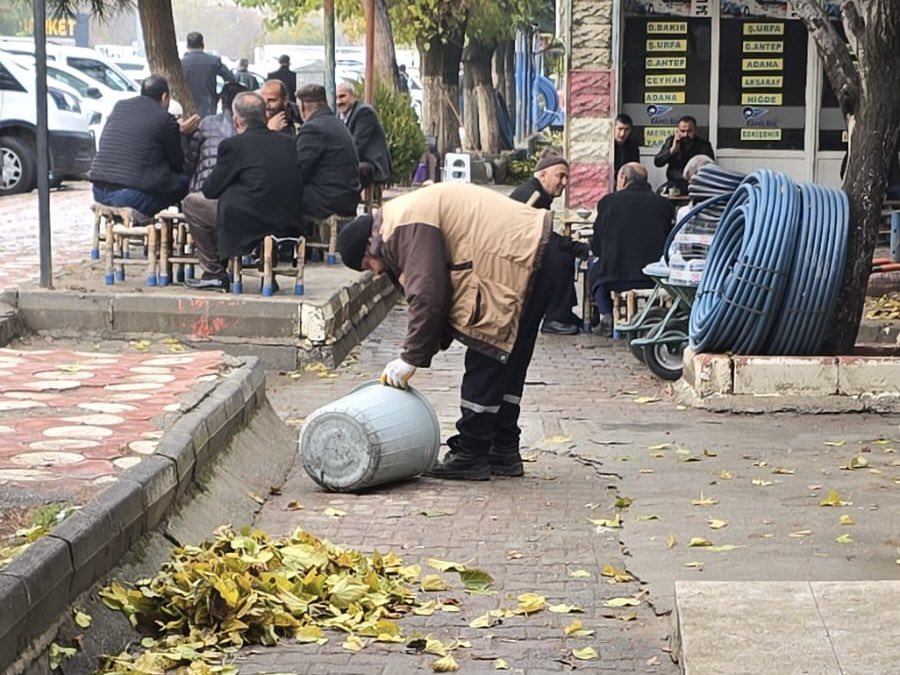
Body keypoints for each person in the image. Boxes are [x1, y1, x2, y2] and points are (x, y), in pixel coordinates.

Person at [336, 182, 566, 481]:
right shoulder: (403, 215)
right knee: (508, 359)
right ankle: (503, 449)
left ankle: (471, 453)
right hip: (539, 252)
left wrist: (410, 358)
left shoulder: (402, 224)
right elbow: (438, 296)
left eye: (369, 265)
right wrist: (428, 344)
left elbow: (428, 295)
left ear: (369, 245)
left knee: (486, 350)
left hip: (515, 258)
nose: (377, 272)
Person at [197, 91, 304, 289]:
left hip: (248, 221)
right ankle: (268, 274)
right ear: (265, 116)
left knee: (191, 204)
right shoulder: (288, 142)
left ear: (236, 120)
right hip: (287, 219)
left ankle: (214, 272)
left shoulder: (233, 145)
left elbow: (210, 190)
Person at [89, 75, 199, 218]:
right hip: (130, 196)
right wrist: (180, 135)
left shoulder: (120, 106)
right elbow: (177, 163)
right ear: (165, 97)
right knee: (185, 182)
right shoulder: (165, 119)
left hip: (98, 191)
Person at [589, 162, 674, 335]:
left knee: (593, 266)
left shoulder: (608, 202)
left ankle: (606, 315)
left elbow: (597, 243)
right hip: (653, 277)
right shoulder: (663, 204)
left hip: (614, 277)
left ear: (623, 179)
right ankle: (652, 313)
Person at [508, 153, 588, 336]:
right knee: (559, 259)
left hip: (524, 244)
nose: (565, 182)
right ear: (543, 175)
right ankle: (555, 317)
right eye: (560, 176)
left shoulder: (538, 192)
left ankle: (563, 312)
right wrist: (576, 247)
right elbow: (541, 236)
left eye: (566, 177)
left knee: (561, 253)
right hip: (515, 248)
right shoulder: (534, 195)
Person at [180, 82, 246, 291]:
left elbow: (190, 162)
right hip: (238, 201)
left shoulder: (206, 123)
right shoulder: (248, 130)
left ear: (221, 102)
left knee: (194, 206)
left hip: (203, 193)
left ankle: (213, 271)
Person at [295, 84, 361, 220]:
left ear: (302, 106)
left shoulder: (313, 128)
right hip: (346, 198)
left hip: (326, 201)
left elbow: (299, 171)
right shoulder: (335, 123)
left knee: (277, 193)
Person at [336, 81, 392, 187]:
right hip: (355, 160)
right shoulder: (339, 115)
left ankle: (347, 197)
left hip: (372, 163)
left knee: (344, 171)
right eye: (337, 98)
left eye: (342, 96)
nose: (339, 101)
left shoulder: (364, 112)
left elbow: (357, 144)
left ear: (353, 96)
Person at [653, 115, 715, 195]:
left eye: (689, 131)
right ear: (677, 131)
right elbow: (657, 162)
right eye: (682, 131)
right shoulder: (671, 141)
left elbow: (711, 167)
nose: (685, 134)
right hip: (674, 184)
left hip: (696, 185)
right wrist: (672, 150)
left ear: (695, 130)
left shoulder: (703, 144)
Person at [180, 31, 234, 118]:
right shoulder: (214, 61)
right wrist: (219, 95)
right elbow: (230, 79)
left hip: (187, 107)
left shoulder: (181, 64)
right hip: (209, 106)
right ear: (203, 44)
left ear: (187, 45)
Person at [613, 113, 640, 180]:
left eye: (626, 130)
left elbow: (635, 169)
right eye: (620, 129)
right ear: (613, 128)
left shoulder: (633, 146)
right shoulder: (607, 145)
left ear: (630, 130)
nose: (622, 134)